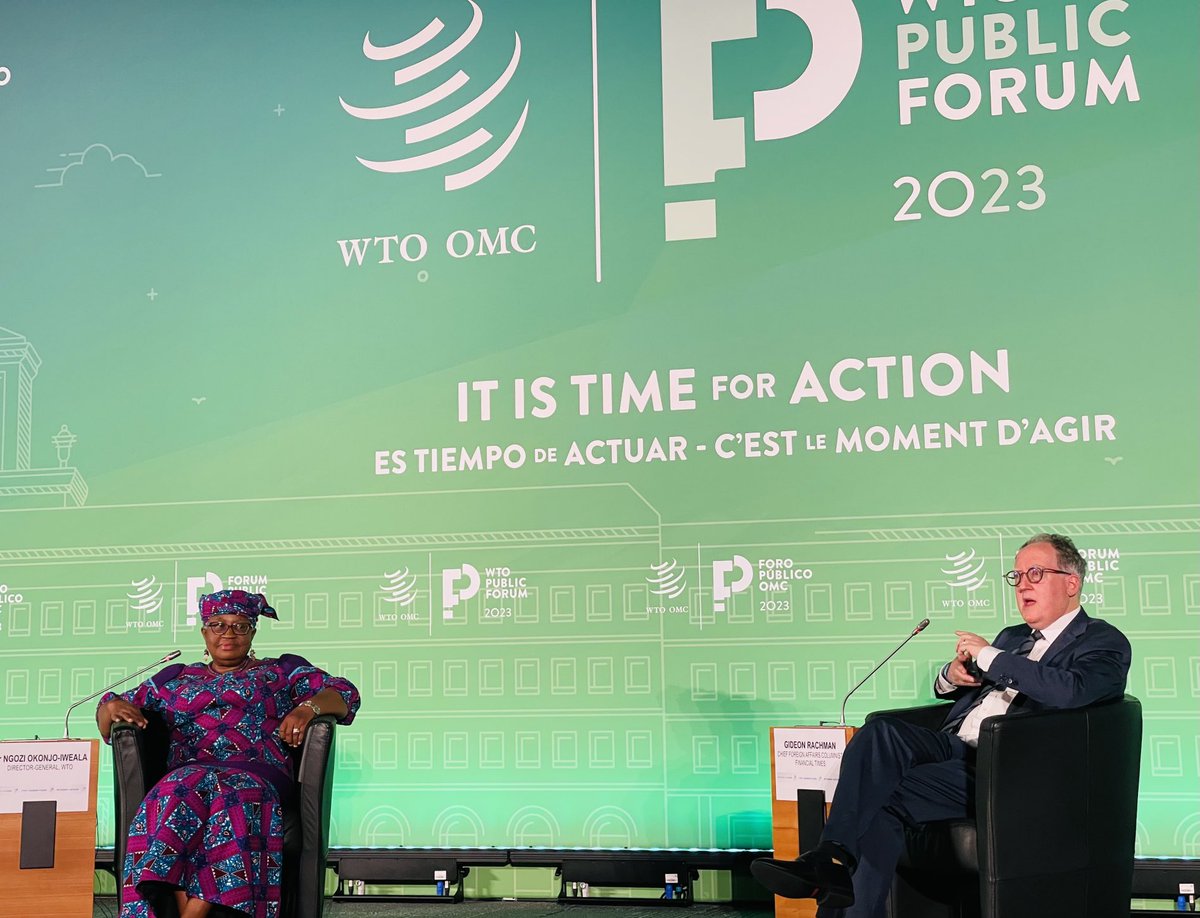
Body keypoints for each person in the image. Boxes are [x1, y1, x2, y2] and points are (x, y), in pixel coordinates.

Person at [751, 533, 1132, 917]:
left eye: (1035, 573)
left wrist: (990, 656)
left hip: (1006, 772)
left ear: (1071, 582)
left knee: (877, 801)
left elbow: (1072, 692)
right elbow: (968, 687)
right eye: (1016, 576)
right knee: (880, 734)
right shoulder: (1013, 638)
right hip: (954, 747)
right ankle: (829, 858)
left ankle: (828, 865)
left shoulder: (1102, 641)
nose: (1023, 585)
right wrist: (951, 676)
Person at [97, 590, 361, 918]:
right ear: (204, 632)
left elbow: (344, 693)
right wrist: (112, 705)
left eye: (240, 626)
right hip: (190, 771)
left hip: (256, 770)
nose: (228, 634)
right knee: (179, 790)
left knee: (230, 794)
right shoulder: (176, 678)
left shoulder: (280, 672)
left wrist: (308, 708)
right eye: (218, 625)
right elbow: (108, 715)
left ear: (253, 631)